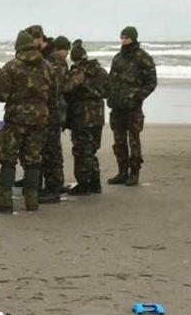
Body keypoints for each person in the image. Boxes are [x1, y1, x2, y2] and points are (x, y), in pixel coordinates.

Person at [0, 30, 56, 213]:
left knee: (8, 158)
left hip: (16, 117)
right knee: (33, 158)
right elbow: (54, 94)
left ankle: (4, 198)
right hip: (40, 116)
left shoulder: (12, 67)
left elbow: (1, 95)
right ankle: (31, 199)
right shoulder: (47, 66)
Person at [106, 26, 157, 186]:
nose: (124, 40)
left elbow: (151, 82)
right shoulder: (118, 58)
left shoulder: (143, 57)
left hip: (133, 107)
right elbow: (111, 80)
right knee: (118, 141)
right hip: (117, 106)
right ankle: (122, 172)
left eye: (127, 37)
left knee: (133, 140)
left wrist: (138, 97)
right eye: (122, 37)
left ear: (133, 38)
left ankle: (134, 173)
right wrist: (110, 95)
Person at [65, 40, 108, 195]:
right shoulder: (101, 72)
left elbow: (66, 89)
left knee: (81, 151)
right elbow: (107, 91)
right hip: (98, 115)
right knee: (91, 150)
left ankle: (83, 184)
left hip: (82, 115)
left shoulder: (77, 73)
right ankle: (95, 183)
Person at [38, 35, 71, 203]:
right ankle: (54, 184)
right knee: (52, 149)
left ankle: (53, 187)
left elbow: (56, 86)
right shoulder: (51, 58)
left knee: (51, 149)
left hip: (54, 110)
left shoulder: (54, 60)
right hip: (53, 109)